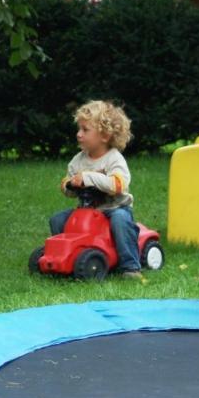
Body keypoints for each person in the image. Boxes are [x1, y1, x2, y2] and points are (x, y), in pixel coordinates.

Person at [49, 99, 142, 279]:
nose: (78, 134)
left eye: (85, 130)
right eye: (79, 129)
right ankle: (68, 257)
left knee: (121, 221)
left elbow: (118, 185)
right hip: (87, 211)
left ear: (105, 136)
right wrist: (69, 185)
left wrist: (89, 177)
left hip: (114, 209)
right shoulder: (78, 160)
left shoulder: (114, 159)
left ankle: (130, 266)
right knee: (58, 220)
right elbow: (67, 186)